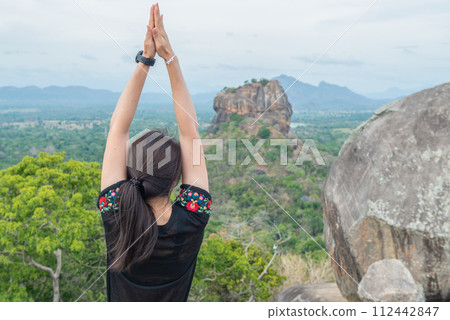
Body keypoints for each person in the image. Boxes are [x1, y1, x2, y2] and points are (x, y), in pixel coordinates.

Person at [96, 3, 210, 302]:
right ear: (176, 177)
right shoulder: (192, 218)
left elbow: (117, 129)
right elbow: (191, 134)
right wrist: (169, 57)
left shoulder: (116, 211)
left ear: (128, 169)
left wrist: (146, 59)